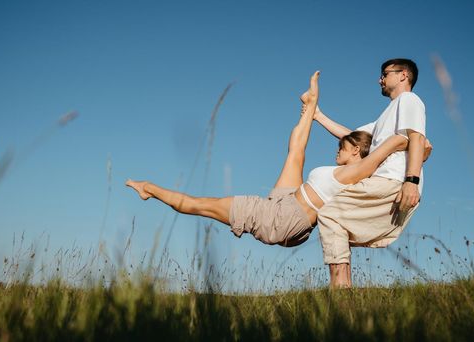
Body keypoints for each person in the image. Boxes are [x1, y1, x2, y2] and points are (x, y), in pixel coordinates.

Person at [126, 71, 410, 247]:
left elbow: (376, 158)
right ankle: (308, 107)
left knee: (201, 204)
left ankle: (148, 188)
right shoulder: (352, 170)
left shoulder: (358, 171)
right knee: (296, 152)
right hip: (288, 202)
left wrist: (399, 142)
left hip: (283, 218)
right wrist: (314, 111)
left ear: (357, 152)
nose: (338, 149)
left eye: (343, 146)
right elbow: (303, 150)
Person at [314, 58, 429, 288]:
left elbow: (417, 138)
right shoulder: (384, 118)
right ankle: (342, 291)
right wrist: (318, 115)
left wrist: (411, 181)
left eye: (385, 74)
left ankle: (341, 289)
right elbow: (351, 136)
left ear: (403, 75)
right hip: (387, 180)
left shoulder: (409, 100)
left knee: (329, 214)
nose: (380, 79)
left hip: (393, 179)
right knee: (333, 219)